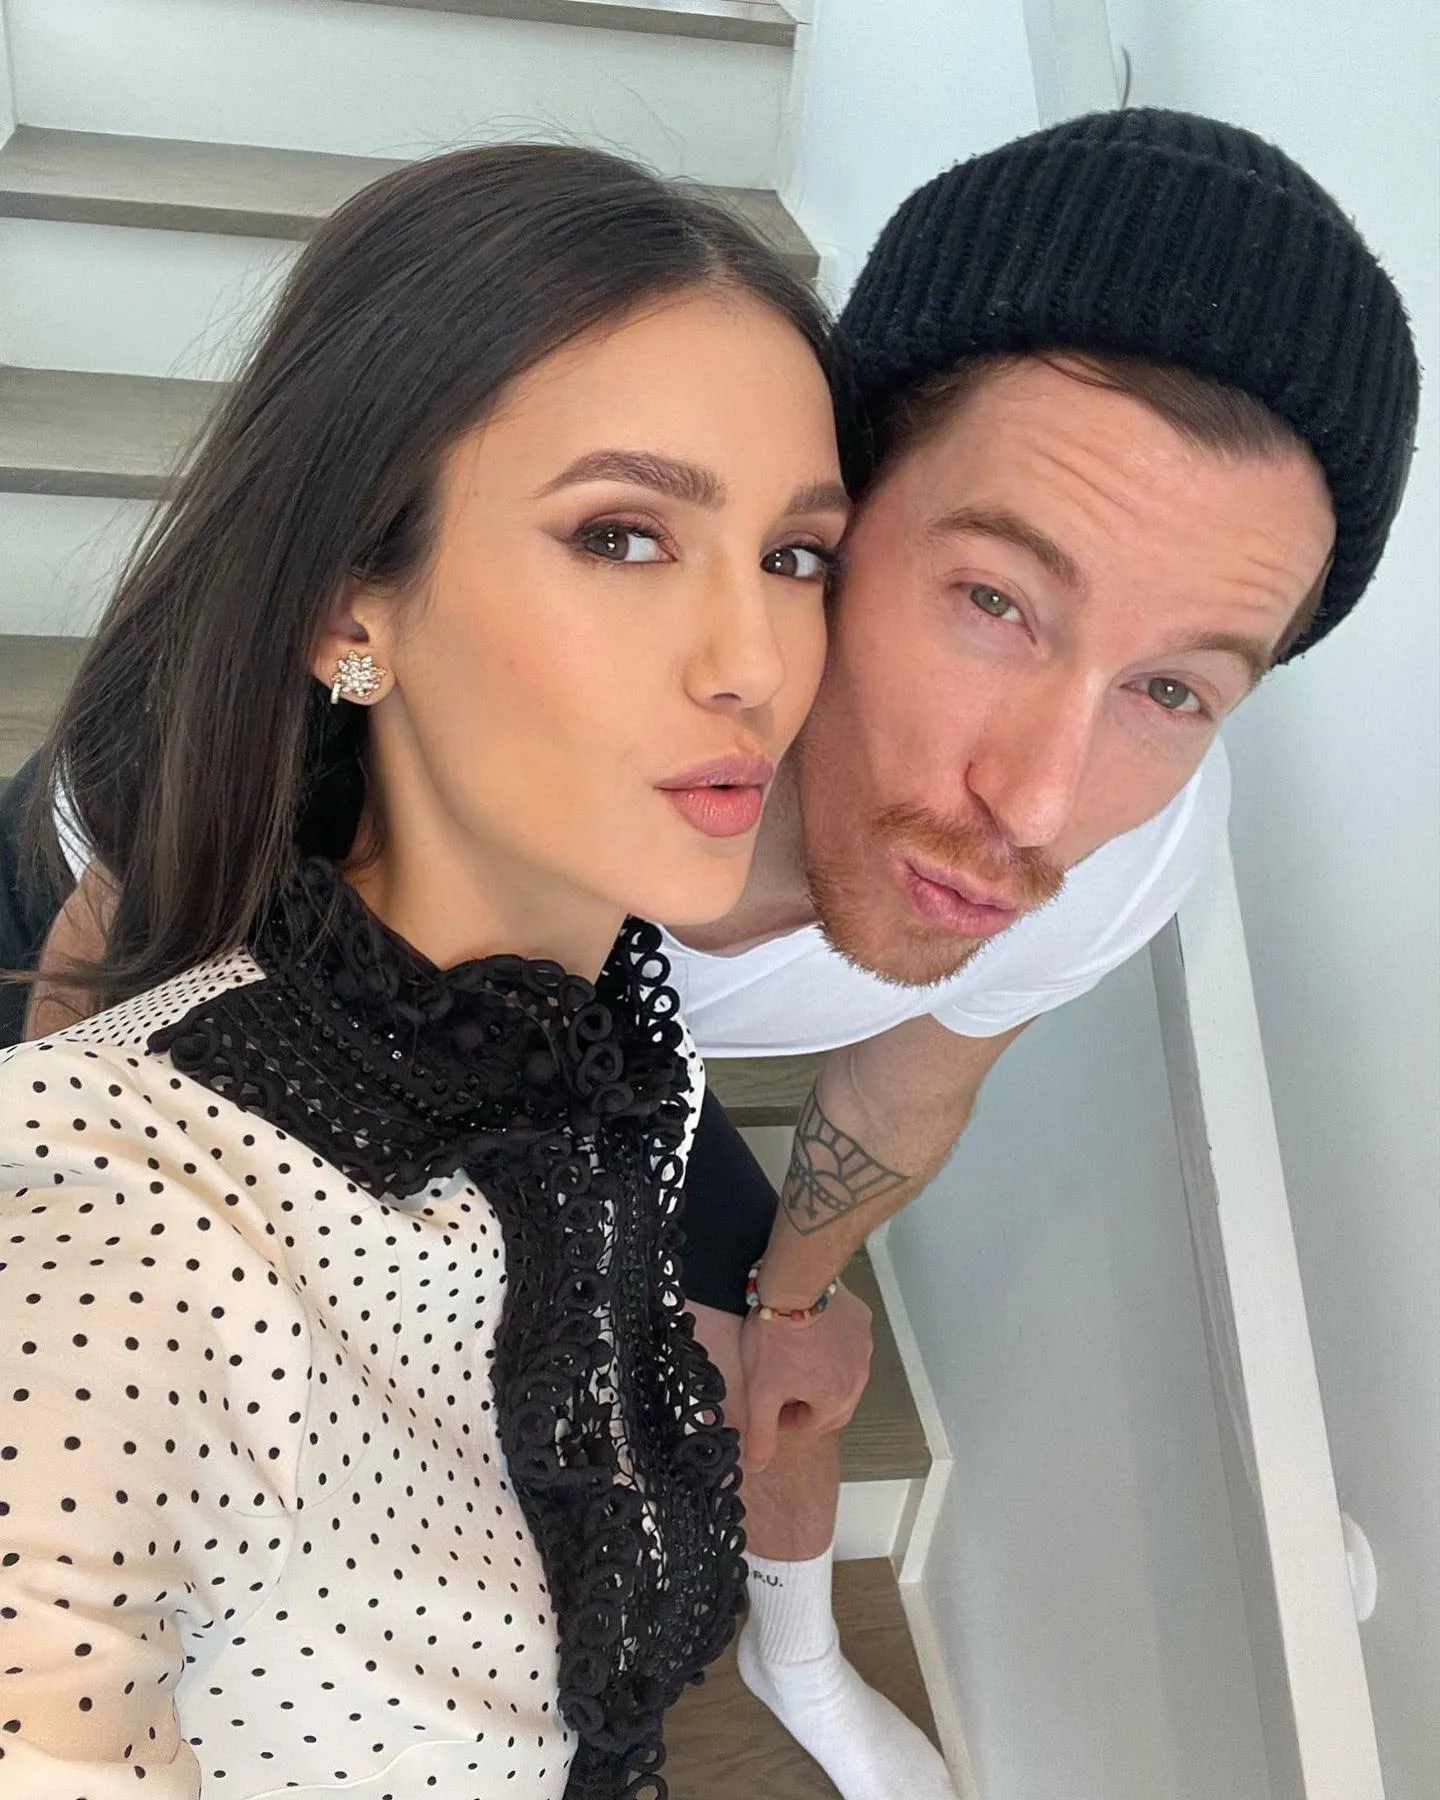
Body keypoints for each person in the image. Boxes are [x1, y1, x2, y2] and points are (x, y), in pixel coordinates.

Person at [0, 109, 1421, 1800]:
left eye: (1175, 688)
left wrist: (786, 1305)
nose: (1041, 803)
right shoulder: (160, 1128)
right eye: (993, 600)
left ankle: (793, 1650)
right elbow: (109, 1179)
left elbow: (908, 1082)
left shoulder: (666, 1000)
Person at [0, 142, 850, 1797]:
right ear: (350, 616)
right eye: (622, 535)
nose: (755, 662)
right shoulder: (135, 1229)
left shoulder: (613, 1069)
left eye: (796, 556)